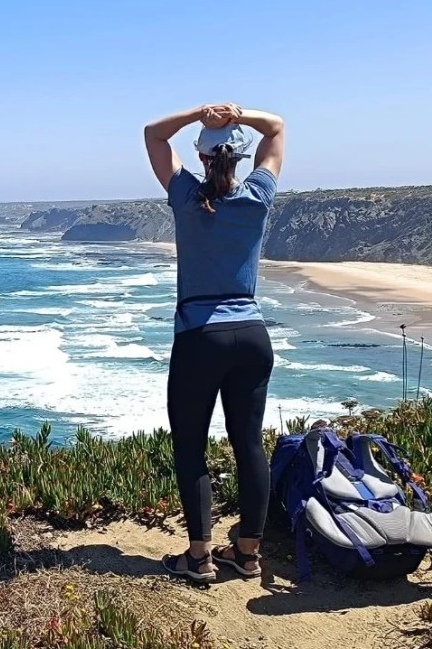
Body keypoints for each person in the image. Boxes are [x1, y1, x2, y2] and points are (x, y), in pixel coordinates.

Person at [143, 102, 285, 582]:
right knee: (248, 444)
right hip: (252, 335)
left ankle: (200, 557)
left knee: (191, 445)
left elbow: (153, 135)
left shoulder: (187, 196)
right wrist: (239, 116)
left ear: (202, 159)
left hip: (200, 336)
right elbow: (277, 128)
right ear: (239, 159)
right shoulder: (257, 197)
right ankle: (247, 555)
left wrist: (198, 116)